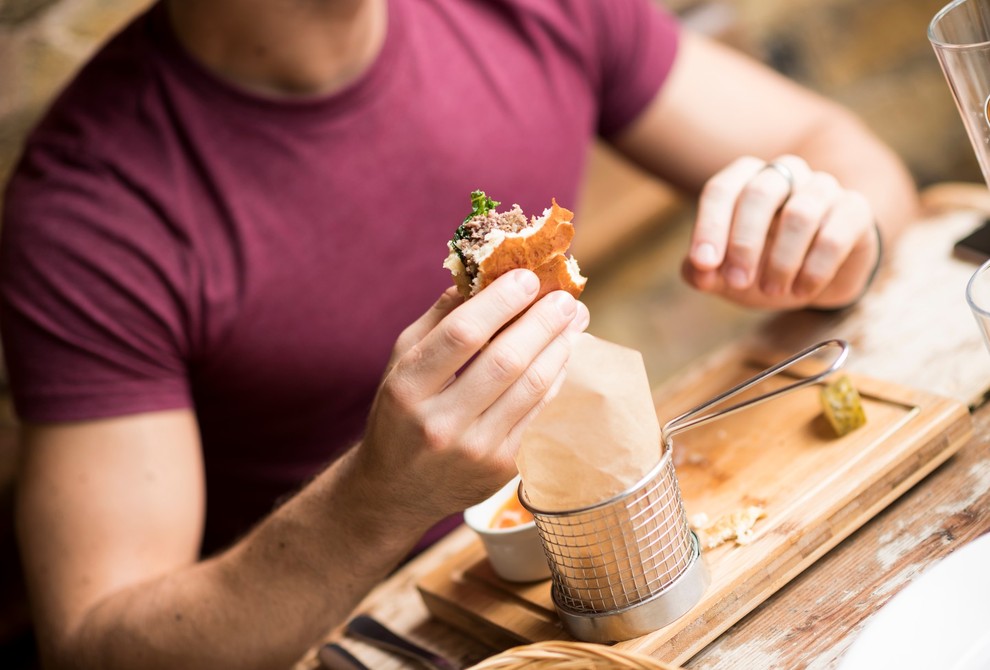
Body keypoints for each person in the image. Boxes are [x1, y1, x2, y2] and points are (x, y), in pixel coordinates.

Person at [0, 0, 917, 668]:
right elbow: (92, 643)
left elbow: (840, 149)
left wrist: (835, 234)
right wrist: (373, 499)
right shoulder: (91, 208)